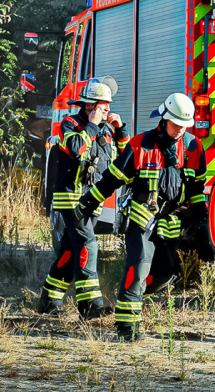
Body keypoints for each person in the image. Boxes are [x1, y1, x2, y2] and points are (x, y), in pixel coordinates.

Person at [78, 93, 206, 342]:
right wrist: (88, 202)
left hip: (171, 222)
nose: (180, 129)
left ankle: (129, 294)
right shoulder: (140, 144)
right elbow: (111, 180)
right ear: (165, 118)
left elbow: (196, 189)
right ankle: (127, 328)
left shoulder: (193, 147)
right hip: (140, 218)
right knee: (139, 268)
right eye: (176, 123)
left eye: (184, 125)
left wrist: (201, 218)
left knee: (164, 275)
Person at [38, 78, 129, 318]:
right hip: (70, 199)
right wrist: (91, 125)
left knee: (69, 252)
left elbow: (122, 156)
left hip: (92, 199)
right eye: (103, 105)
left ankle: (48, 301)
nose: (108, 109)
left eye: (109, 105)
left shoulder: (106, 128)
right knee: (88, 244)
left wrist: (121, 130)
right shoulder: (70, 123)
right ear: (90, 106)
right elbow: (76, 148)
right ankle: (90, 306)